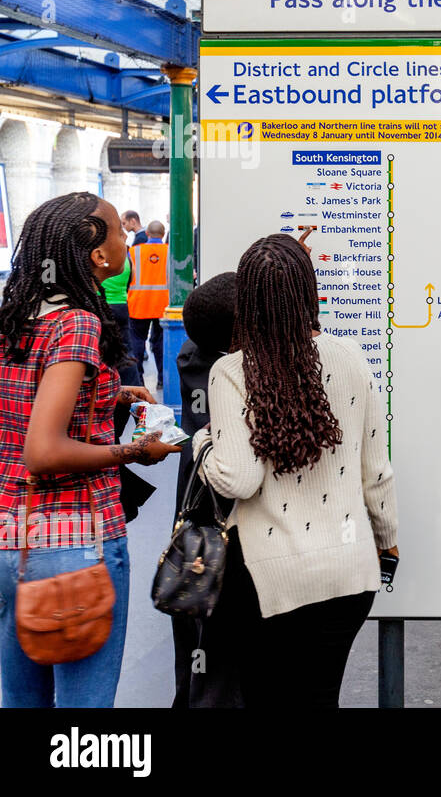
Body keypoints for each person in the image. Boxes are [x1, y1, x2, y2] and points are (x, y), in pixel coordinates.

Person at [193, 234, 397, 707]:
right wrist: (387, 539)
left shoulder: (233, 372)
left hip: (271, 578)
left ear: (246, 301)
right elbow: (376, 472)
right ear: (310, 292)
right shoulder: (351, 359)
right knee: (321, 697)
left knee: (268, 698)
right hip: (348, 574)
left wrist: (204, 443)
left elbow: (238, 478)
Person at [0, 192, 180, 708]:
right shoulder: (76, 323)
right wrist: (135, 452)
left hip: (11, 538)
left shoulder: (15, 317)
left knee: (21, 701)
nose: (127, 237)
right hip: (73, 543)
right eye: (118, 231)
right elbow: (44, 449)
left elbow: (26, 407)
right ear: (97, 254)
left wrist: (111, 393)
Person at [169, 271, 244, 708]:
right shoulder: (232, 376)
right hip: (227, 534)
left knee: (197, 656)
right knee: (224, 668)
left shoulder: (193, 354)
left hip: (193, 536)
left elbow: (219, 309)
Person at [127, 220, 168, 391]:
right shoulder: (170, 251)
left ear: (148, 234)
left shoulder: (133, 251)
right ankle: (161, 379)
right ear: (163, 233)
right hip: (162, 306)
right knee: (159, 343)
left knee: (137, 342)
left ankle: (139, 381)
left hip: (138, 304)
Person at [100, 258, 141, 387]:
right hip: (120, 306)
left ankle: (107, 388)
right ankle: (133, 390)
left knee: (100, 351)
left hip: (99, 305)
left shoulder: (94, 254)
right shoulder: (124, 258)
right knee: (125, 352)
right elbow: (133, 275)